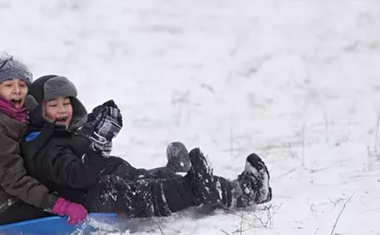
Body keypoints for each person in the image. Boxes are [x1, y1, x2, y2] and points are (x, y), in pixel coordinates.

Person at [21, 75, 273, 219]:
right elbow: (75, 176)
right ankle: (237, 191)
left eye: (66, 102)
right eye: (54, 105)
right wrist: (97, 145)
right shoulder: (42, 146)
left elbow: (78, 158)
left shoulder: (56, 136)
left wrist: (91, 133)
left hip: (105, 180)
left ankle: (174, 172)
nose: (63, 110)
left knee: (142, 177)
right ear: (37, 109)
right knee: (153, 191)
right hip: (94, 196)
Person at [0, 54, 89, 226]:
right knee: (86, 198)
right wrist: (58, 205)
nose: (17, 90)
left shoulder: (16, 117)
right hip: (2, 206)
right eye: (8, 85)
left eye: (22, 85)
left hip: (15, 197)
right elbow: (13, 178)